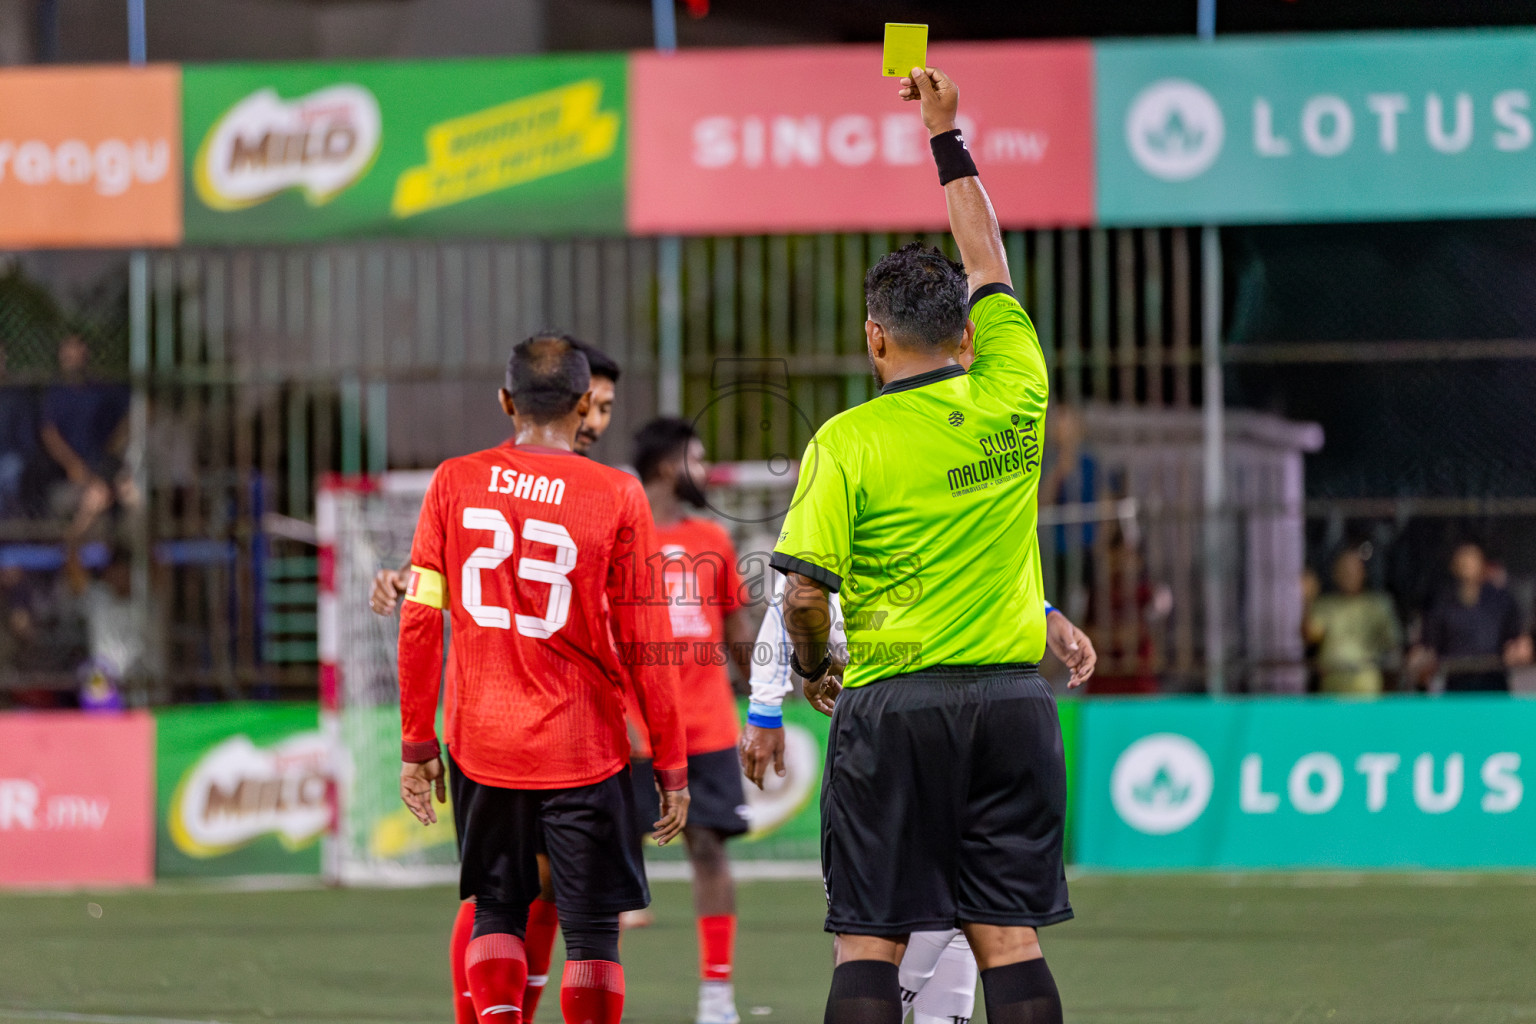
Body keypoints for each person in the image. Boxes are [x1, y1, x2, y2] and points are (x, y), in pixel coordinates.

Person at [770, 66, 1069, 1024]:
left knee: (869, 938)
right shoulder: (1014, 388)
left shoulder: (848, 441)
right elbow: (988, 257)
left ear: (873, 338)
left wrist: (818, 669)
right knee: (1009, 937)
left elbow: (805, 597)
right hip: (1016, 705)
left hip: (897, 706)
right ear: (972, 336)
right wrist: (949, 135)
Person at [397, 335, 689, 1024]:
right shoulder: (617, 492)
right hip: (582, 748)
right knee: (590, 931)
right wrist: (672, 764)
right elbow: (650, 639)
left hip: (482, 742)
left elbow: (418, 622)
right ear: (586, 404)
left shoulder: (452, 481)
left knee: (498, 908)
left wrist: (416, 745)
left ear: (506, 402)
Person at [741, 582, 1094, 1024]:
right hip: (1000, 700)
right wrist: (1048, 613)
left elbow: (797, 589)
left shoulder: (842, 509)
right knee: (999, 928)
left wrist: (779, 696)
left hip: (888, 707)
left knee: (870, 939)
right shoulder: (1004, 507)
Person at [629, 416, 758, 1024]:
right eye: (697, 459)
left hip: (704, 725)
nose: (705, 471)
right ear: (665, 466)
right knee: (597, 859)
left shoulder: (713, 538)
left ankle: (716, 995)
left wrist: (762, 707)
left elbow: (736, 630)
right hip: (626, 731)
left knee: (708, 850)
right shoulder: (617, 535)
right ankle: (598, 993)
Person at [40, 333, 131, 539]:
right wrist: (72, 464)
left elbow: (139, 411)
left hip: (106, 465)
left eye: (78, 349)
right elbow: (49, 434)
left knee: (110, 494)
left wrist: (116, 442)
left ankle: (70, 547)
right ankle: (72, 550)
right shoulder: (55, 394)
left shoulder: (104, 389)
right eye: (68, 352)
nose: (73, 356)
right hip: (74, 473)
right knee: (98, 495)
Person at [1414, 541, 1530, 692]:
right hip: (1456, 685)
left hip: (1494, 684)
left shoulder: (1502, 600)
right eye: (1462, 557)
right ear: (1453, 565)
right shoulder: (1442, 604)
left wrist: (1518, 649)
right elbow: (1430, 645)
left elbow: (1515, 639)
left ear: (1483, 562)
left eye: (1472, 556)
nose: (1467, 562)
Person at [1304, 547, 1401, 695]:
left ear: (1363, 572)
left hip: (1367, 689)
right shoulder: (1325, 605)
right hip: (1332, 689)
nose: (1348, 575)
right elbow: (1311, 635)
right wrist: (1308, 600)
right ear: (1335, 574)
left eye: (1353, 569)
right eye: (1343, 570)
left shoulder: (1378, 605)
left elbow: (1393, 647)